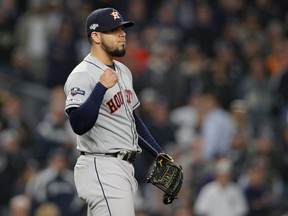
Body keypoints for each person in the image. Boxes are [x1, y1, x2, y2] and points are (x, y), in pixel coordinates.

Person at [63, 7, 165, 216]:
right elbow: (78, 125)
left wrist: (158, 153)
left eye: (122, 28)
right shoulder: (83, 74)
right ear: (96, 36)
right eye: (114, 30)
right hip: (102, 165)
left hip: (123, 168)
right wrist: (100, 88)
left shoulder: (123, 71)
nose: (122, 34)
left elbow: (132, 120)